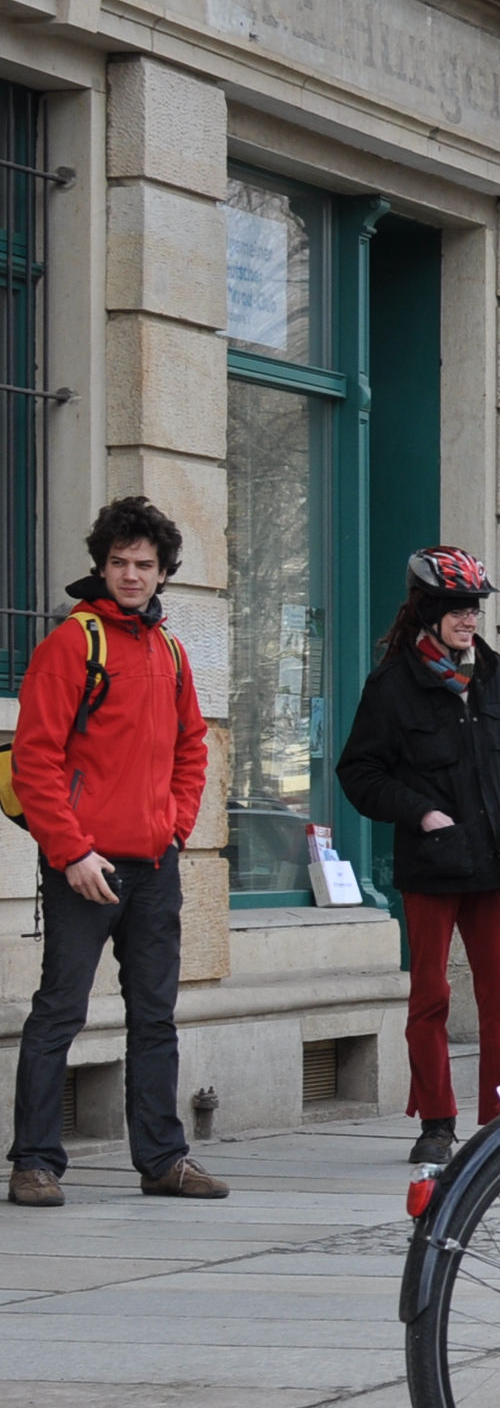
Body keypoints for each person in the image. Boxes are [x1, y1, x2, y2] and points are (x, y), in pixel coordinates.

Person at [9, 497, 226, 1205]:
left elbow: (193, 747)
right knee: (59, 1013)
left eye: (144, 564)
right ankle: (34, 1163)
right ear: (101, 566)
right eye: (119, 562)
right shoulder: (72, 644)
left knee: (155, 1018)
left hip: (155, 865)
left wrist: (175, 828)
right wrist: (72, 852)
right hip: (84, 867)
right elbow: (34, 762)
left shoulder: (170, 651)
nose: (131, 575)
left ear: (163, 572)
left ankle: (163, 1160)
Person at [337, 547, 500, 1167]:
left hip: (491, 860)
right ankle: (436, 1121)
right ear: (428, 611)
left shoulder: (491, 671)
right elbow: (359, 773)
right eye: (456, 608)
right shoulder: (392, 684)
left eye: (474, 607)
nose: (468, 618)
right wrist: (422, 812)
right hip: (431, 864)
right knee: (430, 997)